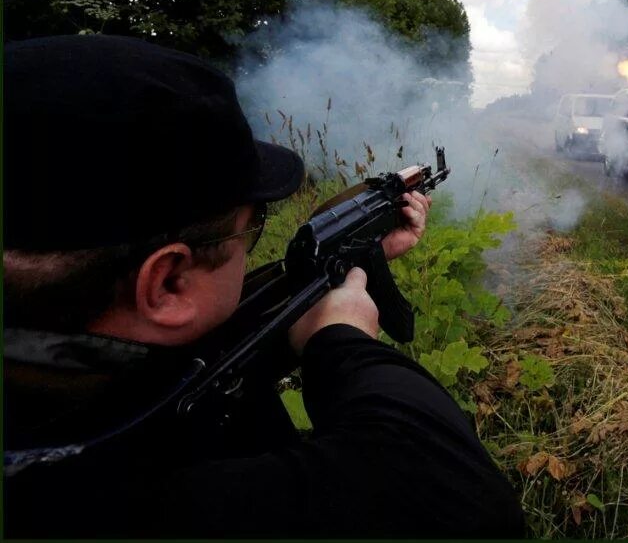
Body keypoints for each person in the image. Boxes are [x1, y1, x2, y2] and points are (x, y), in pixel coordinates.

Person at [3, 35, 526, 538]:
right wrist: (341, 338)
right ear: (167, 283)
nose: (254, 244)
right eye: (250, 233)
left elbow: (212, 342)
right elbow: (460, 498)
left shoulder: (61, 389)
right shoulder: (113, 501)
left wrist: (348, 257)